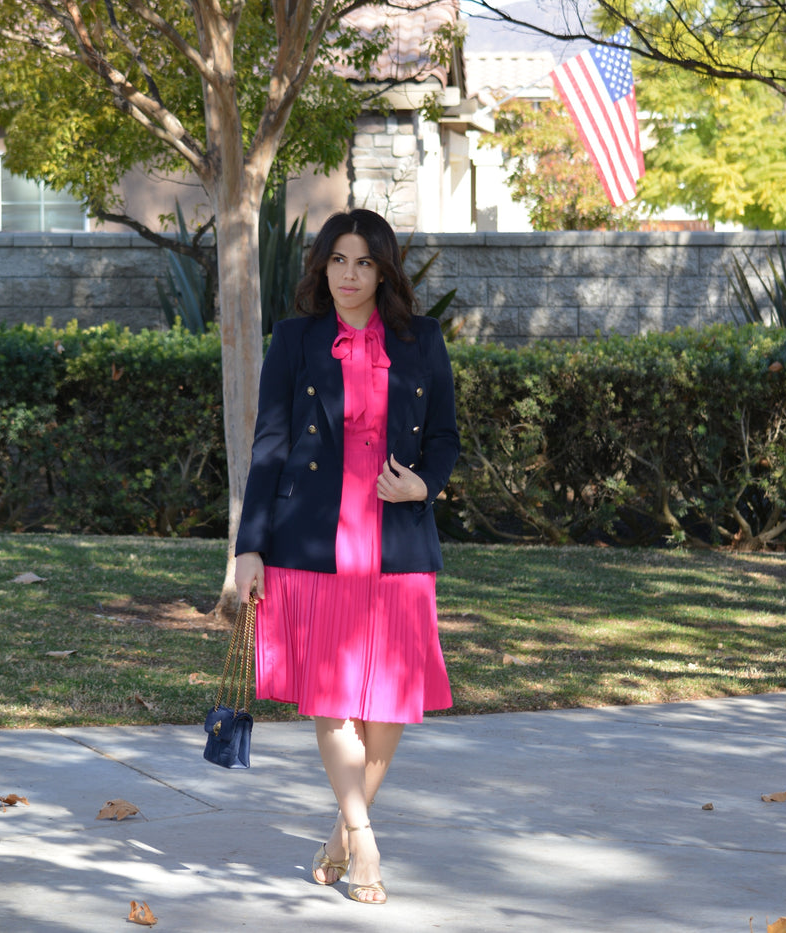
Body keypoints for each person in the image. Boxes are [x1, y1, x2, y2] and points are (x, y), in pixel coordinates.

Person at [233, 209, 460, 906]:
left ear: (384, 271)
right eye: (339, 260)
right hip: (312, 539)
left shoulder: (421, 340)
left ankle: (338, 833)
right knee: (332, 698)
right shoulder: (295, 340)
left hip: (395, 539)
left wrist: (426, 482)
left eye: (365, 262)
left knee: (388, 700)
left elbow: (446, 435)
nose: (351, 275)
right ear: (321, 267)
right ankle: (363, 837)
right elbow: (270, 445)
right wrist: (249, 546)